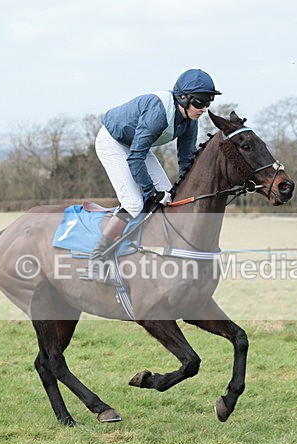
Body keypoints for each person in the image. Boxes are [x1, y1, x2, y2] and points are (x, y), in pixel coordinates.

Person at [83, 68, 221, 284]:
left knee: (170, 198)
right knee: (134, 203)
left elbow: (186, 161)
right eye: (200, 102)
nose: (204, 109)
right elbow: (135, 157)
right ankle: (96, 261)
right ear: (183, 98)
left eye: (208, 103)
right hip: (113, 142)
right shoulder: (159, 111)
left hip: (135, 146)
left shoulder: (190, 121)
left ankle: (153, 253)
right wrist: (150, 192)